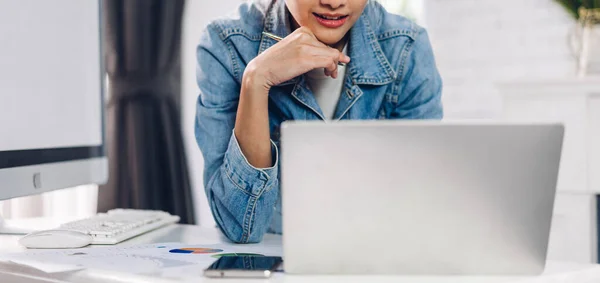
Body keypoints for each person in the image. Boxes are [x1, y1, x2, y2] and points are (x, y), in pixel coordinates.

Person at [195, 0, 443, 243]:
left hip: (373, 253)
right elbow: (240, 228)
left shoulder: (406, 46)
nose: (334, 3)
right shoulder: (226, 44)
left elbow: (419, 211)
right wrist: (256, 79)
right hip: (275, 258)